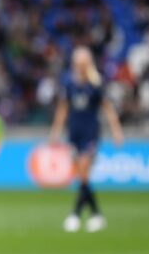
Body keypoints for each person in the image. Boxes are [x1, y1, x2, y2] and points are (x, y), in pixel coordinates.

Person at [49, 46, 124, 233]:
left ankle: (75, 215)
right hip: (74, 133)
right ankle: (96, 215)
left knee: (83, 172)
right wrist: (56, 130)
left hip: (91, 133)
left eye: (83, 62)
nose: (80, 66)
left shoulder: (96, 83)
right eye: (78, 62)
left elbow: (107, 107)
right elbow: (63, 108)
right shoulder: (69, 82)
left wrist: (116, 130)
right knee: (82, 176)